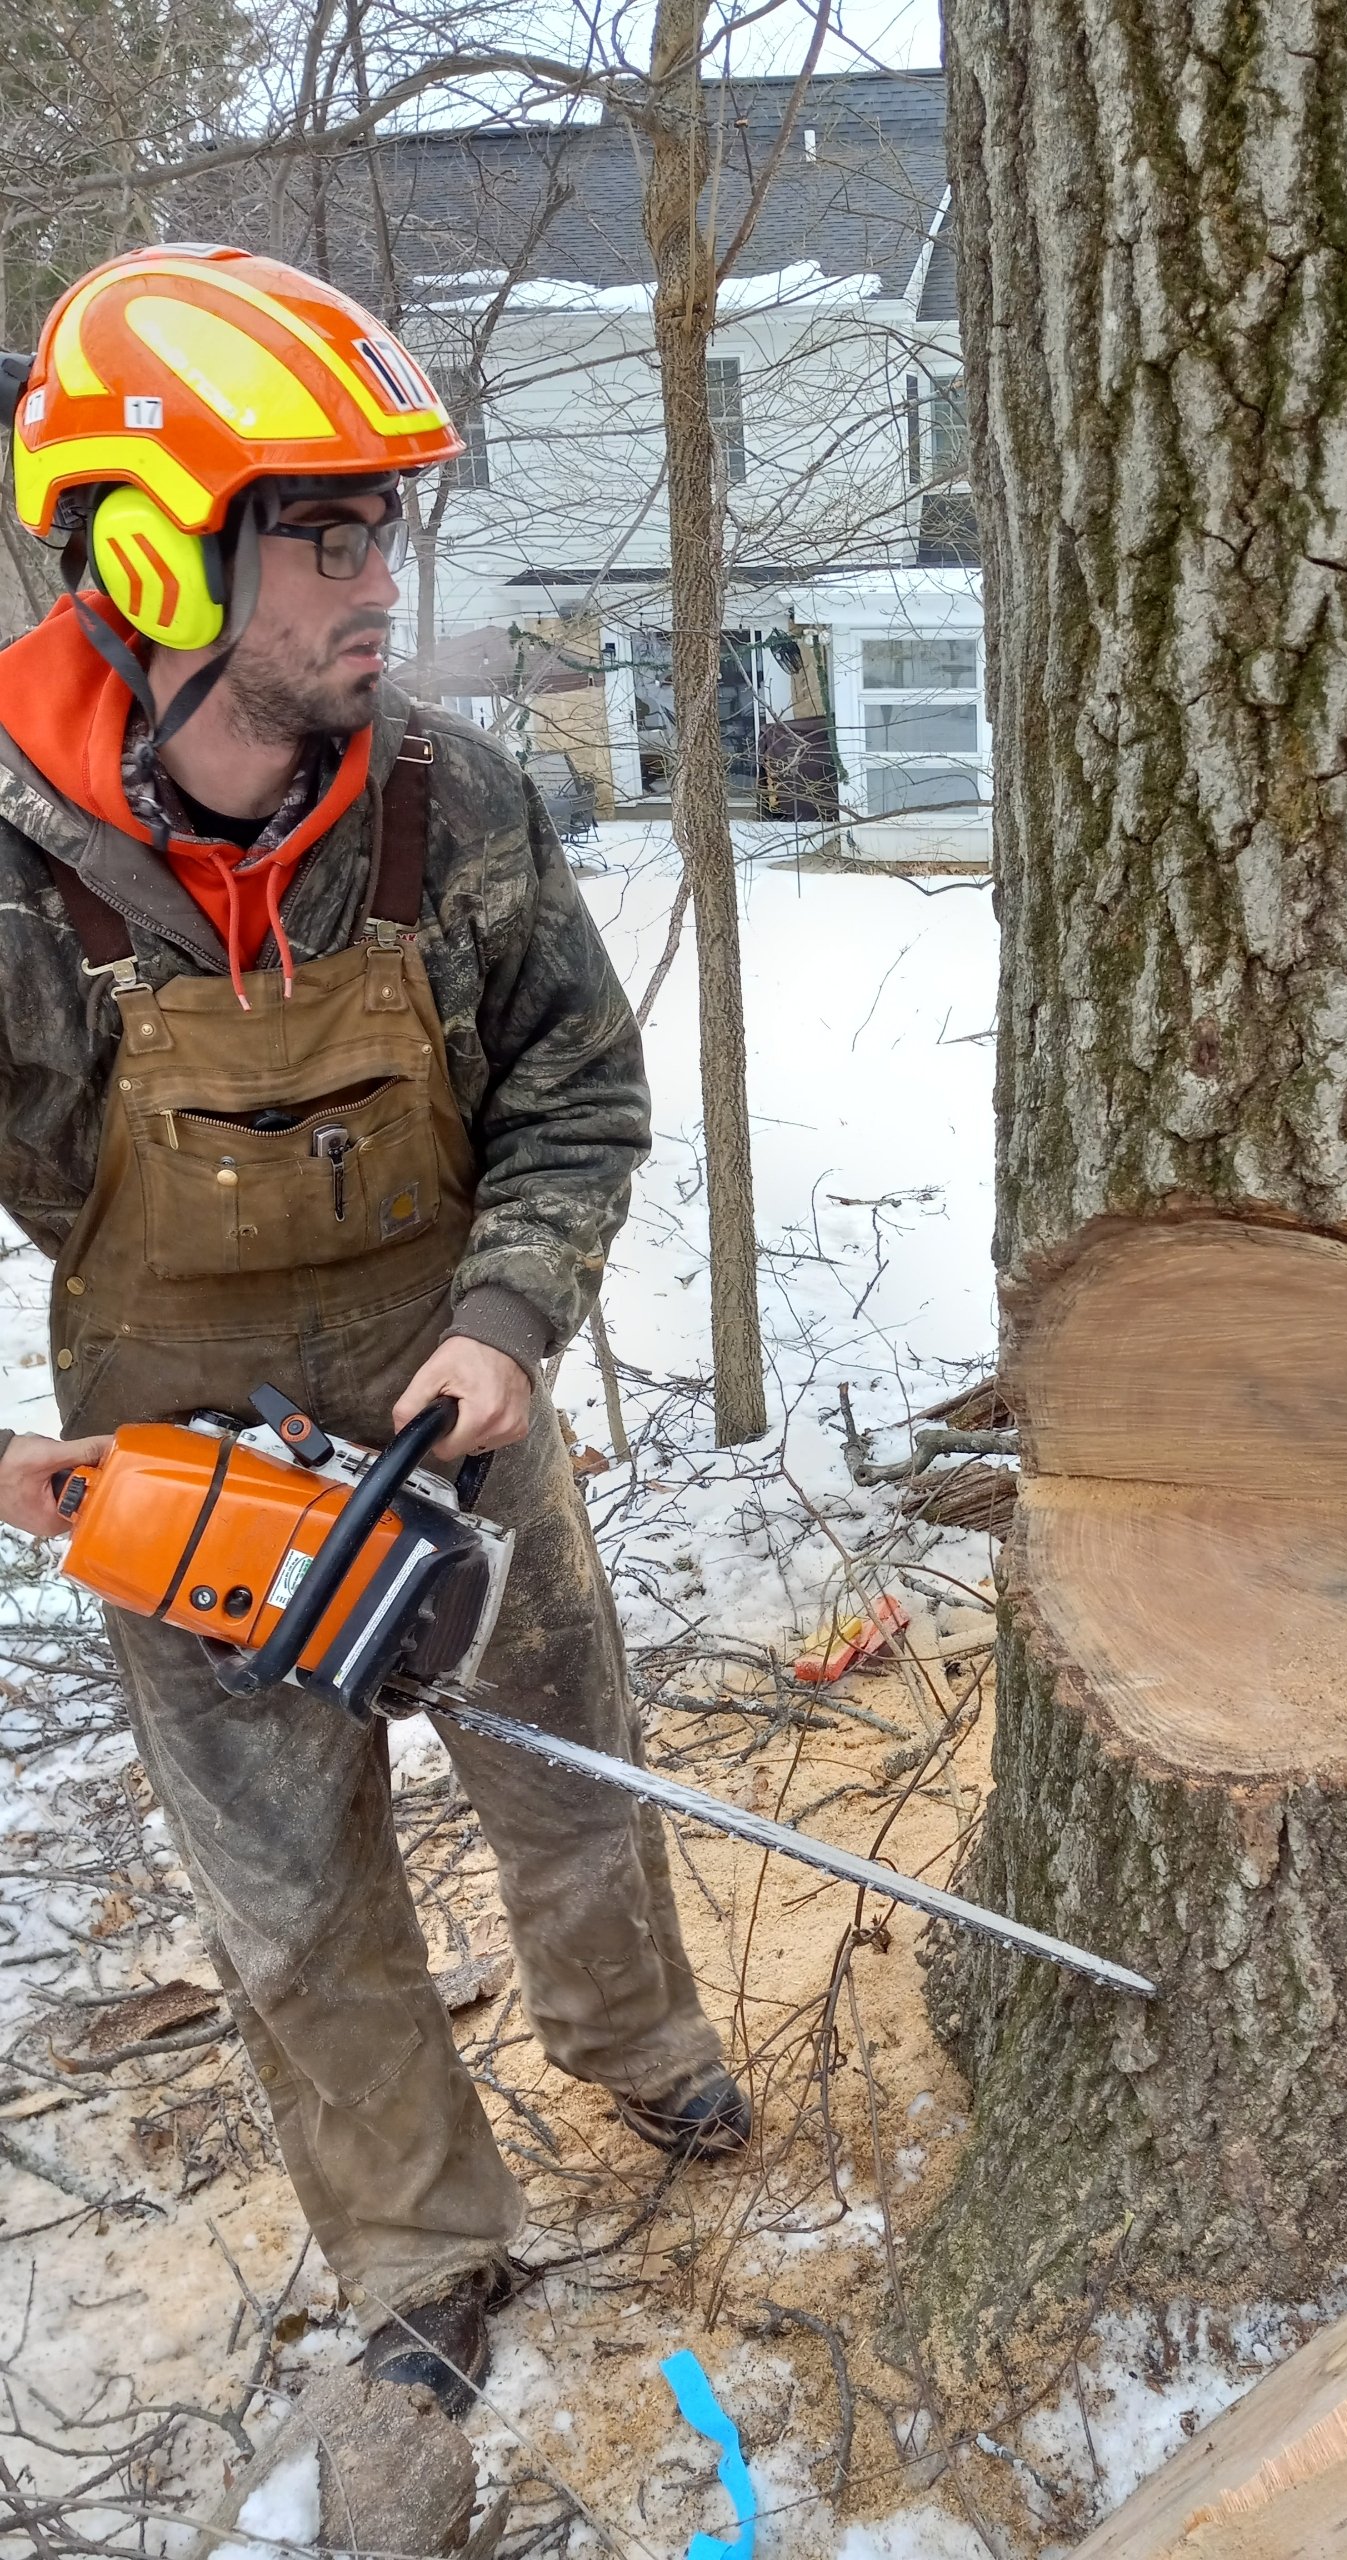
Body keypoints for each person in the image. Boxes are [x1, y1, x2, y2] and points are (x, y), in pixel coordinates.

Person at [0, 247, 746, 2416]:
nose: (377, 575)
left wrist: (511, 1316)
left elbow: (577, 1092)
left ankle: (641, 2038)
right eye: (324, 526)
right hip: (180, 1457)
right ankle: (421, 2243)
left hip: (455, 1397)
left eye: (384, 523)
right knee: (290, 1884)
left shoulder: (450, 809)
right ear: (156, 549)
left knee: (565, 1756)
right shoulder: (16, 874)